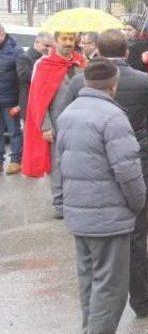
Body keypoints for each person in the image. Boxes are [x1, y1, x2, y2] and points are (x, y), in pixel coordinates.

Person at [63, 29, 148, 318]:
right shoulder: (142, 81)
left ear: (98, 52)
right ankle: (141, 299)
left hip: (84, 188)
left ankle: (90, 321)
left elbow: (66, 144)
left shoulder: (79, 83)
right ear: (127, 51)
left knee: (90, 269)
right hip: (131, 170)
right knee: (135, 242)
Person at [22, 31, 86, 218]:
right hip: (57, 122)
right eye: (64, 39)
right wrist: (45, 125)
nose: (68, 43)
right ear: (56, 41)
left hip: (80, 121)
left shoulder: (81, 62)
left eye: (71, 39)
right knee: (58, 164)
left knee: (80, 161)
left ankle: (76, 199)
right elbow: (38, 97)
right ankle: (60, 203)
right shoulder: (43, 65)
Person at [0, 24, 24, 174]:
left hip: (10, 101)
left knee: (14, 131)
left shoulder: (16, 51)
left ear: (2, 34)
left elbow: (22, 80)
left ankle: (16, 161)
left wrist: (20, 103)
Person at [16, 32, 53, 123]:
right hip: (29, 101)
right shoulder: (24, 58)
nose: (48, 48)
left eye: (50, 46)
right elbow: (24, 75)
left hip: (43, 100)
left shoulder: (48, 57)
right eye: (46, 45)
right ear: (37, 42)